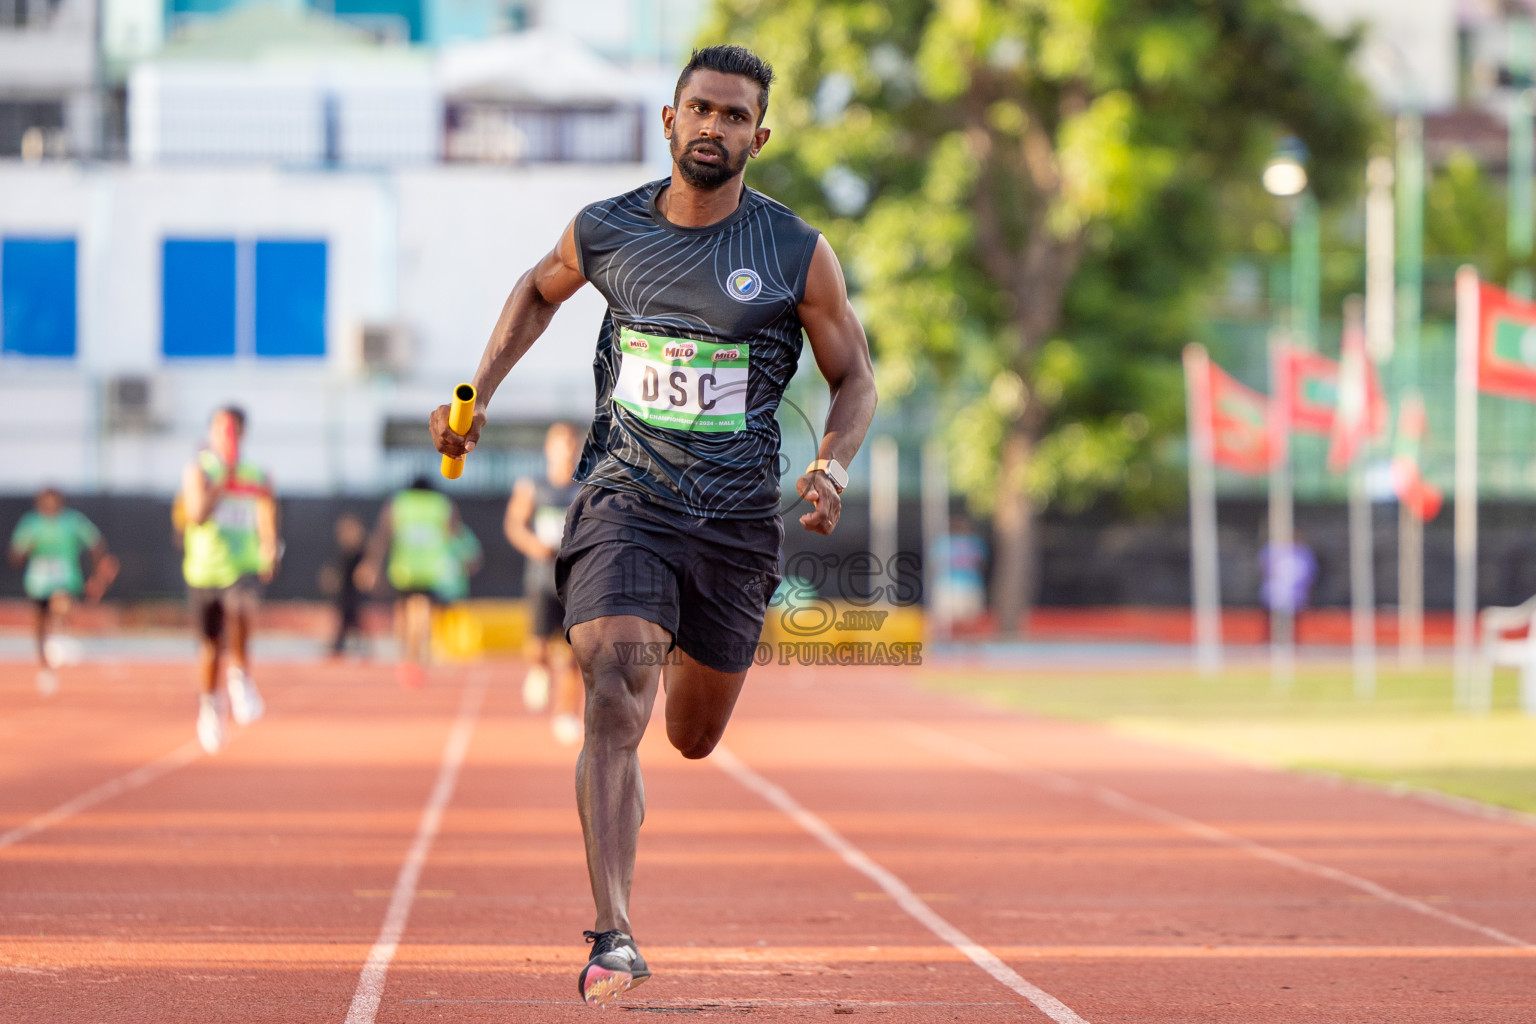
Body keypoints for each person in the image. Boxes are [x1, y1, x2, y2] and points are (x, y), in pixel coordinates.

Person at [430, 44, 878, 1007]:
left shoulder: (795, 251)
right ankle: (614, 932)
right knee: (612, 689)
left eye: (734, 116)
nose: (714, 127)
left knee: (692, 736)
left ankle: (672, 677)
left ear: (760, 136)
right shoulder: (607, 230)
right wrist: (474, 397)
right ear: (667, 122)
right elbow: (534, 294)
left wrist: (833, 460)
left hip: (733, 525)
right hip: (624, 499)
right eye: (700, 110)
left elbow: (856, 376)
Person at [179, 406, 278, 754]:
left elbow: (267, 508)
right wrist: (222, 481)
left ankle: (241, 678)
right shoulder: (200, 471)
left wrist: (269, 544)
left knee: (241, 607)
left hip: (242, 563)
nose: (227, 436)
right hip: (205, 569)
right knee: (209, 646)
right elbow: (197, 514)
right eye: (220, 430)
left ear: (242, 433)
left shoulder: (257, 474)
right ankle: (210, 706)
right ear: (211, 434)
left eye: (232, 430)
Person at [504, 422, 584, 745]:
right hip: (540, 579)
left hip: (575, 581)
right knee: (537, 648)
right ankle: (539, 670)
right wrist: (534, 544)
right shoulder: (532, 486)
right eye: (558, 443)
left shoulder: (584, 487)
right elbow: (514, 525)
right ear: (548, 449)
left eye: (570, 443)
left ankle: (566, 714)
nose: (565, 449)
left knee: (575, 655)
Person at [357, 475, 464, 688]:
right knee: (422, 613)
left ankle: (406, 656)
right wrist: (462, 561)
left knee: (403, 613)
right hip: (430, 568)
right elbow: (455, 535)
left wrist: (371, 564)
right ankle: (418, 656)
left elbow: (383, 534)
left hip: (404, 568)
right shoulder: (441, 504)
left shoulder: (398, 503)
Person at [8, 488, 118, 695]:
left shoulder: (72, 521)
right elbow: (15, 555)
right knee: (40, 623)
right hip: (38, 581)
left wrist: (98, 575)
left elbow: (95, 542)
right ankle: (46, 667)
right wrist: (26, 549)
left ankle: (60, 636)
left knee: (61, 601)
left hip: (64, 578)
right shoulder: (31, 523)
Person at [320, 513, 368, 657]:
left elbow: (366, 575)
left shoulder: (361, 555)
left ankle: (356, 650)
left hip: (353, 600)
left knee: (354, 626)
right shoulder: (341, 555)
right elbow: (332, 574)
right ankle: (338, 649)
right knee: (344, 627)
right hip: (343, 599)